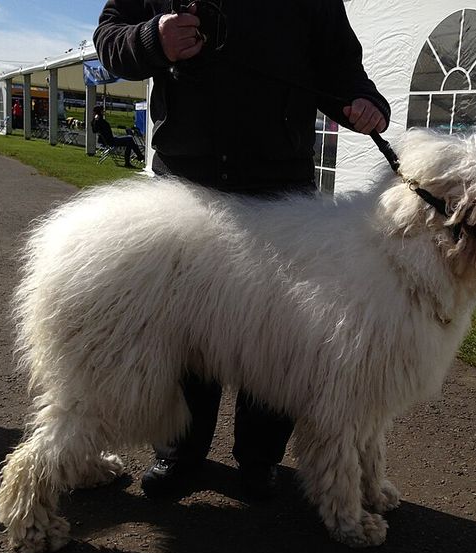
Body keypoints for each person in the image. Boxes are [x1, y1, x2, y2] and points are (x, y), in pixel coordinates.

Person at [93, 0, 389, 499]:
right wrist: (151, 41)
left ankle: (259, 461)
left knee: (276, 336)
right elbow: (110, 39)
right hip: (184, 187)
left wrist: (364, 99)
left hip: (279, 193)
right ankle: (180, 454)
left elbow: (340, 65)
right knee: (183, 330)